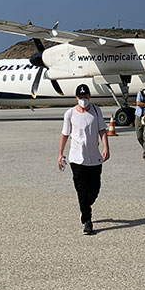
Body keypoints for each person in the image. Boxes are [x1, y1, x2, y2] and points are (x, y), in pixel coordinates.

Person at [58, 84, 110, 236]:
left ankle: (86, 206)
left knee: (94, 190)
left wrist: (106, 147)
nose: (83, 100)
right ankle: (87, 220)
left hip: (94, 157)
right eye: (80, 98)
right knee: (81, 189)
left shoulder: (96, 111)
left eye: (85, 97)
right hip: (77, 158)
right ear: (76, 98)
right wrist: (60, 154)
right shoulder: (70, 114)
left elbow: (102, 130)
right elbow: (65, 134)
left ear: (90, 97)